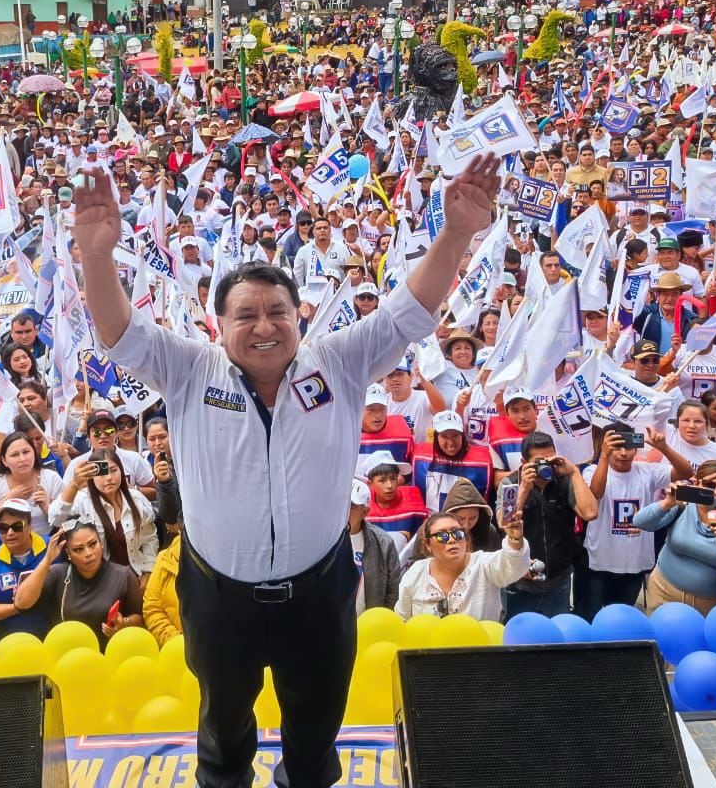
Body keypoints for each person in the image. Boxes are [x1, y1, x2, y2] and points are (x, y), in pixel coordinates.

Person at [73, 148, 502, 788]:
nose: (264, 325)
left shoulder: (341, 361)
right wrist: (97, 255)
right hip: (218, 599)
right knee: (222, 737)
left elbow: (409, 311)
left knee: (313, 737)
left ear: (300, 317)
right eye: (245, 315)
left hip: (319, 594)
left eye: (277, 312)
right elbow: (116, 330)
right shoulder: (188, 370)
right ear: (217, 325)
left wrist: (457, 232)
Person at [577, 425, 686, 620]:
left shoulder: (647, 471)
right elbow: (596, 493)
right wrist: (603, 456)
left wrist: (664, 448)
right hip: (598, 562)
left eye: (628, 447)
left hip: (634, 564)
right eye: (617, 447)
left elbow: (685, 472)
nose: (623, 453)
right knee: (589, 617)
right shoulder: (592, 470)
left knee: (620, 620)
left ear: (636, 448)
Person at [632, 462, 716, 613]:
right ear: (696, 483)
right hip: (663, 593)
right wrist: (667, 502)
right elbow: (640, 522)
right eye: (709, 485)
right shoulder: (683, 505)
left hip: (710, 605)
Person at [498, 432, 598, 617]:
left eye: (550, 459)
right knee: (519, 641)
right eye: (539, 461)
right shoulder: (510, 483)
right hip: (520, 582)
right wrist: (524, 490)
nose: (546, 466)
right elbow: (504, 523)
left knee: (555, 641)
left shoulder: (565, 480)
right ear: (523, 462)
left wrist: (574, 472)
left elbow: (590, 512)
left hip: (558, 581)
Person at [14, 519, 145, 649]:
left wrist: (124, 624)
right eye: (78, 549)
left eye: (93, 544)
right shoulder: (59, 573)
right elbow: (21, 603)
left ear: (101, 543)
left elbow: (140, 618)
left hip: (108, 655)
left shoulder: (123, 575)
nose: (88, 553)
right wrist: (47, 560)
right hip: (66, 655)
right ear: (68, 553)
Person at [394, 510, 529, 620]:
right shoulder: (416, 572)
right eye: (442, 536)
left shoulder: (483, 565)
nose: (452, 539)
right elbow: (402, 620)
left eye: (457, 533)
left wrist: (515, 539)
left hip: (480, 651)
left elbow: (513, 564)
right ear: (428, 545)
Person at [49, 448, 158, 583]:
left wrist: (148, 572)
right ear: (91, 476)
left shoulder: (136, 499)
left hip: (136, 574)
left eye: (113, 470)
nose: (109, 478)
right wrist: (74, 485)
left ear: (122, 471)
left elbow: (149, 539)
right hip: (99, 582)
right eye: (101, 473)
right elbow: (54, 518)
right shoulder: (83, 500)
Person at [0, 498, 50, 650]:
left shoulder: (51, 549)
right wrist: (17, 607)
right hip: (7, 642)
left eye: (16, 526)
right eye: (3, 527)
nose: (10, 533)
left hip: (48, 636)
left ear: (29, 526)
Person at [349, 478, 401, 613]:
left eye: (351, 507)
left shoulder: (383, 542)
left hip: (368, 624)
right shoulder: (325, 540)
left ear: (365, 512)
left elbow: (393, 589)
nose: (344, 512)